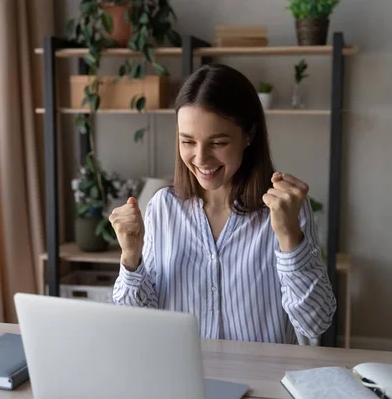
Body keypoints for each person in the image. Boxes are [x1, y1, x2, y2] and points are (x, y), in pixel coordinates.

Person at [110, 63, 336, 344]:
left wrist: (290, 238)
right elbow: (136, 325)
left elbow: (316, 323)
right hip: (184, 379)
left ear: (249, 135)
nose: (201, 158)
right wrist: (131, 257)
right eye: (188, 141)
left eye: (218, 143)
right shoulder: (163, 209)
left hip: (262, 382)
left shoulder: (286, 210)